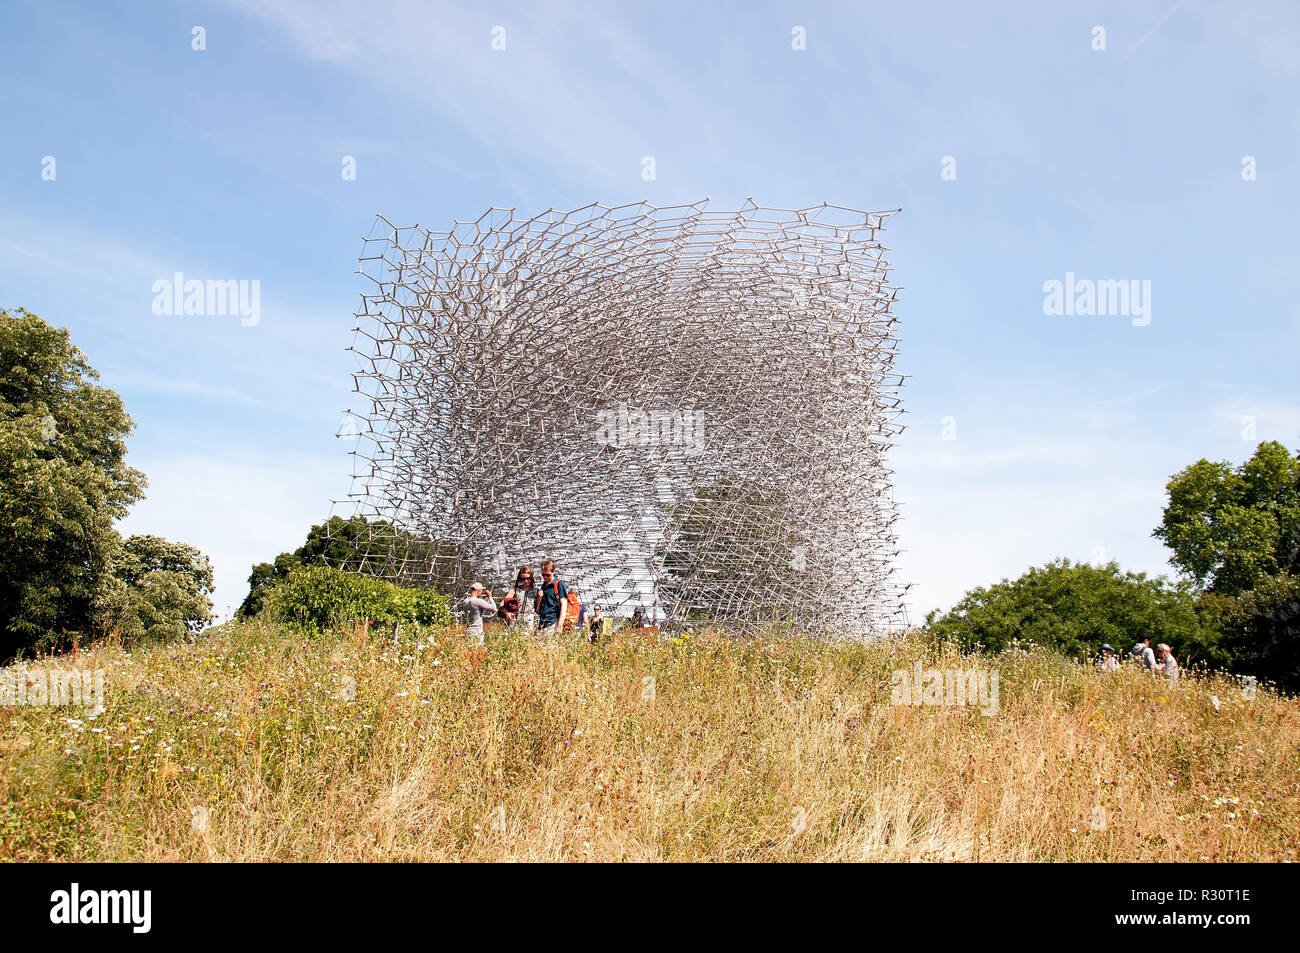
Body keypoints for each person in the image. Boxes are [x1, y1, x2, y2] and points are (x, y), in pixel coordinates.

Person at [535, 560, 569, 636]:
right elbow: (538, 610)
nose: (545, 577)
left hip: (553, 622)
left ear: (553, 572)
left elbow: (564, 605)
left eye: (548, 575)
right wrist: (539, 598)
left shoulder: (559, 584)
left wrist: (559, 625)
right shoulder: (544, 585)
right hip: (542, 623)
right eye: (543, 575)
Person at [502, 566, 537, 632]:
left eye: (528, 578)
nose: (526, 581)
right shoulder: (515, 590)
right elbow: (502, 604)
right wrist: (507, 613)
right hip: (515, 621)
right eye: (523, 579)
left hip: (530, 622)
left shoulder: (536, 591)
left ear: (531, 578)